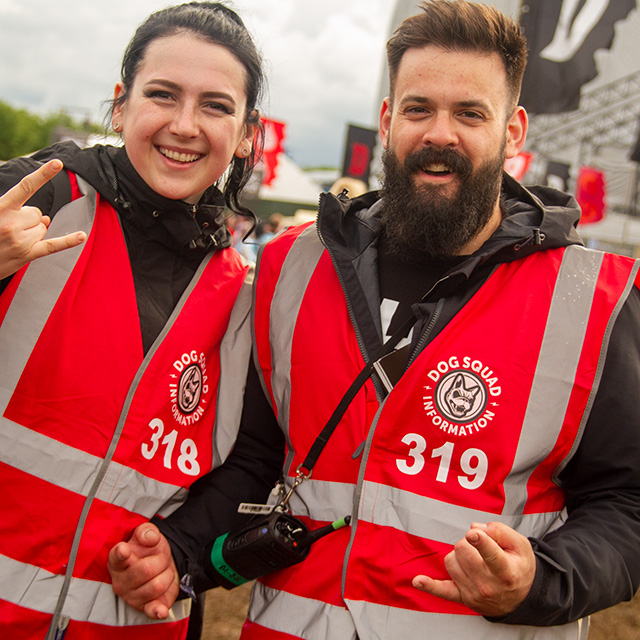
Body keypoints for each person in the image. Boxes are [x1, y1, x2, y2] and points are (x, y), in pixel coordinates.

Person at [111, 1, 640, 638]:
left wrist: (542, 580)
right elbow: (257, 455)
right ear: (388, 119)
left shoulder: (596, 300)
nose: (440, 133)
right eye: (419, 108)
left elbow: (628, 503)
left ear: (513, 131)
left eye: (470, 113)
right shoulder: (290, 268)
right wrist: (181, 549)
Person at [0, 3, 283, 639]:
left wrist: (180, 552)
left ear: (246, 135)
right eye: (162, 95)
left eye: (215, 105)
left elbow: (253, 461)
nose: (184, 125)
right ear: (121, 106)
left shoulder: (247, 295)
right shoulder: (41, 198)